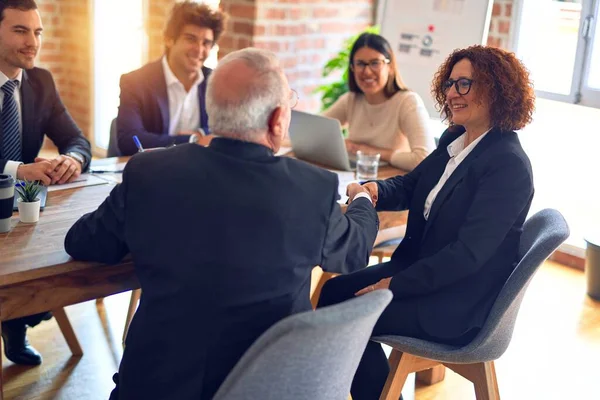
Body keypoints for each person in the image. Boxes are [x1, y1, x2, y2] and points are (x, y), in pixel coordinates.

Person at [64, 48, 379, 400]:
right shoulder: (311, 189)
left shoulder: (149, 172)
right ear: (277, 120)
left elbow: (85, 243)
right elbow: (353, 253)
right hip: (265, 388)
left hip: (156, 386)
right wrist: (362, 200)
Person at [318, 45, 536, 399]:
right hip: (423, 273)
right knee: (332, 292)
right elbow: (412, 183)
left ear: (496, 88)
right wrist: (376, 191)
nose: (451, 93)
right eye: (450, 83)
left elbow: (467, 256)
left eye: (464, 84)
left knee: (347, 316)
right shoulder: (457, 139)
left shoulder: (507, 165)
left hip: (458, 302)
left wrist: (394, 284)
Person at [0, 0, 92, 366]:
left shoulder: (41, 82)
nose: (32, 42)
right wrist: (15, 169)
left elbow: (78, 140)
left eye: (37, 32)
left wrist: (72, 159)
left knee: (63, 256)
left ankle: (18, 320)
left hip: (25, 216)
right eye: (20, 31)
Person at [116, 1, 227, 155]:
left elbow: (228, 130)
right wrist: (193, 140)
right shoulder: (135, 82)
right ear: (169, 39)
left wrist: (202, 133)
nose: (199, 50)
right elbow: (128, 140)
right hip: (154, 169)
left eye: (206, 43)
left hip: (200, 170)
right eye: (191, 39)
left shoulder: (216, 81)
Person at [323, 33, 435, 171]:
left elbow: (426, 159)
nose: (367, 71)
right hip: (356, 179)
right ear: (352, 68)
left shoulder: (407, 101)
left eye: (375, 63)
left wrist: (369, 151)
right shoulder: (351, 100)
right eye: (360, 64)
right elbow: (315, 130)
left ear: (390, 66)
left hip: (390, 183)